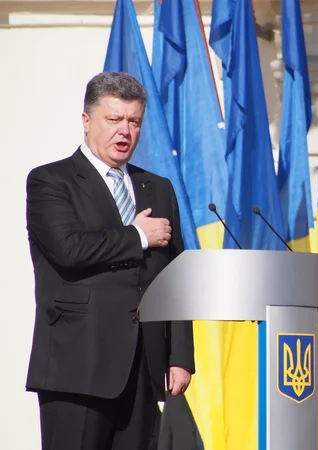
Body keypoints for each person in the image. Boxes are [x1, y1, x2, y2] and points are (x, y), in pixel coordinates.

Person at [24, 72, 195, 450]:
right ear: (87, 121)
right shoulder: (51, 181)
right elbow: (69, 249)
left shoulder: (158, 187)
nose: (125, 131)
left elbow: (176, 277)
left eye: (134, 121)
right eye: (114, 119)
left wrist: (180, 355)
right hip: (77, 365)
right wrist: (137, 235)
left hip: (145, 368)